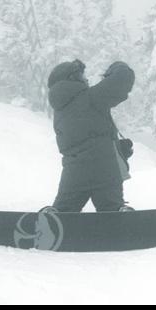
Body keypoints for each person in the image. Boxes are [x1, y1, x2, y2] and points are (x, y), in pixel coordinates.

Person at [43, 59, 136, 213]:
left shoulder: (60, 110)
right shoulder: (91, 97)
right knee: (112, 211)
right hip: (104, 167)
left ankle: (51, 220)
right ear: (73, 78)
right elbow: (121, 80)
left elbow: (83, 139)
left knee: (63, 214)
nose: (86, 79)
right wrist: (118, 67)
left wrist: (118, 148)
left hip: (73, 171)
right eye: (82, 75)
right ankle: (119, 218)